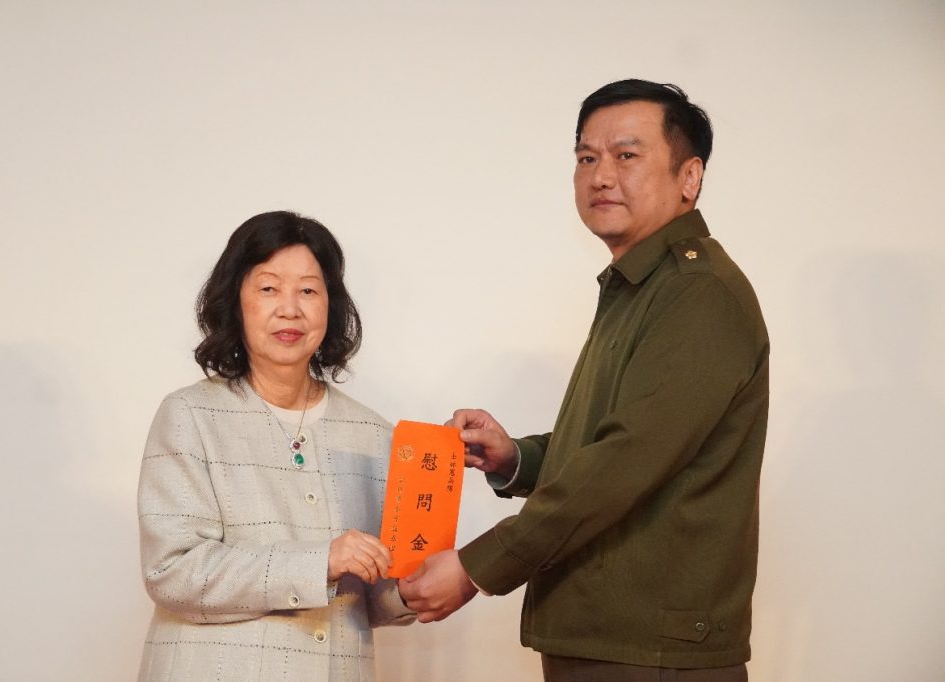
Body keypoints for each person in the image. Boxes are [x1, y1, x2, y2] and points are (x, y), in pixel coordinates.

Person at [399, 79, 769, 681]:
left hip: (652, 653)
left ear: (689, 177)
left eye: (627, 155)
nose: (601, 176)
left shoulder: (698, 293)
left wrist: (476, 568)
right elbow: (618, 445)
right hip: (612, 640)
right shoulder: (640, 287)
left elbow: (625, 462)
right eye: (587, 158)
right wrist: (516, 459)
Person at [136, 211, 414, 681]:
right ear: (236, 302)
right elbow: (173, 572)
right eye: (268, 288)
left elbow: (371, 595)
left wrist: (414, 587)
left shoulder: (374, 434)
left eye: (308, 290)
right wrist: (321, 561)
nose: (290, 309)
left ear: (331, 306)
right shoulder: (190, 415)